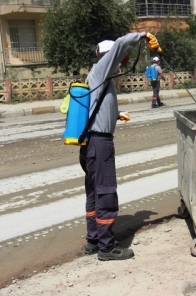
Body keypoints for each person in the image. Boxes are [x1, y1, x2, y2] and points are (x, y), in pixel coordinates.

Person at [81, 32, 160, 261]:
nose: (119, 63)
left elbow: (95, 108)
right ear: (106, 56)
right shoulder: (102, 68)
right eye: (117, 59)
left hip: (92, 140)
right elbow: (120, 45)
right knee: (106, 192)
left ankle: (94, 240)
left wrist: (115, 115)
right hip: (100, 142)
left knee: (95, 193)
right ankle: (107, 247)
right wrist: (142, 35)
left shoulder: (97, 76)